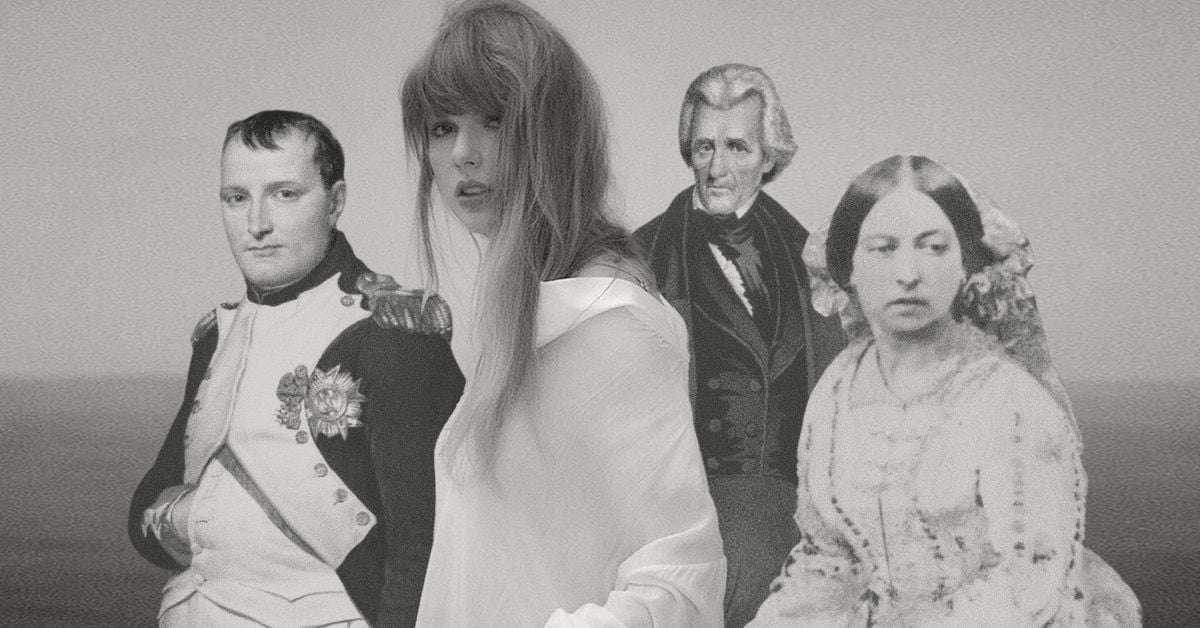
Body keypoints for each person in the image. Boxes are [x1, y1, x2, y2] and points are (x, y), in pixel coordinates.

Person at [391, 1, 726, 625]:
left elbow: (680, 584)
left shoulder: (609, 323)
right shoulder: (526, 313)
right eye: (441, 127)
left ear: (553, 132)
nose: (463, 153)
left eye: (494, 120)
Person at [749, 155, 1141, 626]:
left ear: (965, 265)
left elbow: (1027, 583)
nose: (909, 273)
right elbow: (827, 558)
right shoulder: (836, 391)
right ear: (848, 266)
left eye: (934, 248)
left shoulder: (1009, 401)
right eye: (883, 248)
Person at [127, 110, 464, 627]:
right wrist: (191, 518)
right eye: (236, 198)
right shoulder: (217, 336)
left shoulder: (389, 332)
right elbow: (145, 511)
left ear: (335, 201)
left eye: (285, 194)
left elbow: (429, 549)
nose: (257, 223)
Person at [633, 63, 846, 627]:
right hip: (684, 532)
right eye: (704, 146)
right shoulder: (640, 258)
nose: (717, 168)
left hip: (798, 536)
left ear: (769, 156)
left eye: (737, 148)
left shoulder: (813, 260)